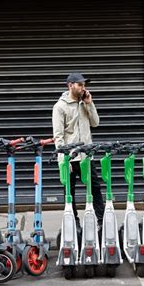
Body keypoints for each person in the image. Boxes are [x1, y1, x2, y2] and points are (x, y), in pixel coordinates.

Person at [52, 72, 105, 230]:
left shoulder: (85, 102)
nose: (83, 88)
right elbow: (58, 136)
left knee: (95, 188)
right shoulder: (60, 107)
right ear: (70, 86)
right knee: (70, 192)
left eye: (84, 85)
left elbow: (95, 123)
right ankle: (74, 223)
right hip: (70, 158)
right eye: (80, 84)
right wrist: (63, 160)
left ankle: (101, 221)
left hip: (87, 156)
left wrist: (89, 103)